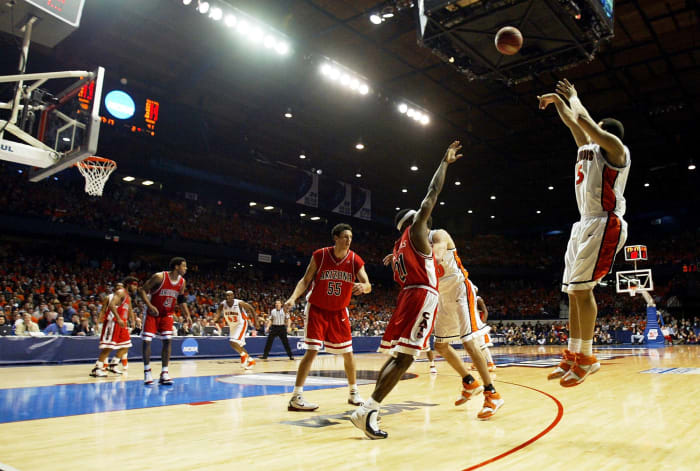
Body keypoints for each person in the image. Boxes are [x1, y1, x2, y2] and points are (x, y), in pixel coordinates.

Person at [351, 140, 462, 439]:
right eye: (422, 219)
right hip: (422, 295)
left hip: (408, 296)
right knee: (405, 358)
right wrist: (444, 163)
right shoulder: (416, 230)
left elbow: (405, 258)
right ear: (413, 221)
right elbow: (431, 195)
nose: (428, 223)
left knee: (397, 356)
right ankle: (368, 409)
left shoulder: (399, 245)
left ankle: (368, 409)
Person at [538, 79, 630, 387]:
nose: (590, 132)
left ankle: (589, 357)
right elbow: (574, 124)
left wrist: (575, 98)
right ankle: (574, 355)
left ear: (606, 132)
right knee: (572, 290)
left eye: (597, 129)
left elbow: (585, 122)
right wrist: (558, 104)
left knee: (581, 290)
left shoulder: (617, 150)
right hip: (584, 222)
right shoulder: (588, 149)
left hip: (606, 221)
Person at [284, 223, 372, 411]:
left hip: (339, 311)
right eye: (345, 237)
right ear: (336, 238)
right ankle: (296, 396)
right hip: (317, 309)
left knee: (348, 353)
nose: (348, 240)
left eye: (351, 237)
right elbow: (305, 280)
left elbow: (368, 283)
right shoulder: (321, 255)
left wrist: (364, 287)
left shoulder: (355, 260)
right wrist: (292, 298)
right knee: (312, 351)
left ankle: (353, 392)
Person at [428, 228, 504, 418]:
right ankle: (469, 381)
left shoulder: (438, 235)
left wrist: (407, 258)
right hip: (442, 296)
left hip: (460, 290)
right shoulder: (416, 247)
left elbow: (435, 258)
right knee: (440, 345)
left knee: (469, 342)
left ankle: (492, 393)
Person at [139, 257, 192, 385]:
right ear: (176, 267)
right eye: (184, 266)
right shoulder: (159, 277)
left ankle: (164, 372)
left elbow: (181, 300)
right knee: (147, 341)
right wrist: (150, 306)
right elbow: (142, 291)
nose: (186, 268)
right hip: (152, 313)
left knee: (168, 341)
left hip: (167, 314)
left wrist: (187, 315)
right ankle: (147, 371)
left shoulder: (182, 282)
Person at [90, 278, 138, 377]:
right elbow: (111, 306)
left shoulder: (127, 296)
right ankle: (97, 368)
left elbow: (129, 309)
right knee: (108, 347)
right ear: (129, 284)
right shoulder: (120, 293)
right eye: (134, 285)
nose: (136, 287)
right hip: (113, 323)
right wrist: (118, 318)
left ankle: (113, 364)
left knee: (126, 346)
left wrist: (132, 320)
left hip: (122, 324)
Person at [215, 290, 258, 369]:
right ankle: (251, 360)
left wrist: (256, 322)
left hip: (241, 323)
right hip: (232, 325)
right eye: (226, 295)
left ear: (233, 296)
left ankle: (243, 355)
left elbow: (251, 309)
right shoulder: (223, 304)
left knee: (232, 342)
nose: (227, 297)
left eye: (229, 295)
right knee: (237, 346)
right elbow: (218, 312)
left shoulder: (239, 303)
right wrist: (215, 319)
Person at [472, 294, 496, 372]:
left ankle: (491, 363)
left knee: (483, 346)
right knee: (474, 347)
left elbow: (485, 311)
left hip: (479, 326)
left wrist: (482, 324)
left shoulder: (478, 299)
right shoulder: (467, 300)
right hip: (472, 326)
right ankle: (476, 363)